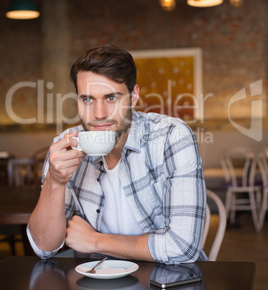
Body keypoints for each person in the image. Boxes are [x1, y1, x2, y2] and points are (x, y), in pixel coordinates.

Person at [27, 45, 208, 264]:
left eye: (111, 98)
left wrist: (95, 241)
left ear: (133, 97)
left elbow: (182, 247)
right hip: (95, 285)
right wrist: (55, 183)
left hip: (168, 281)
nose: (99, 114)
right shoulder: (66, 145)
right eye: (88, 99)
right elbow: (43, 247)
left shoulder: (172, 137)